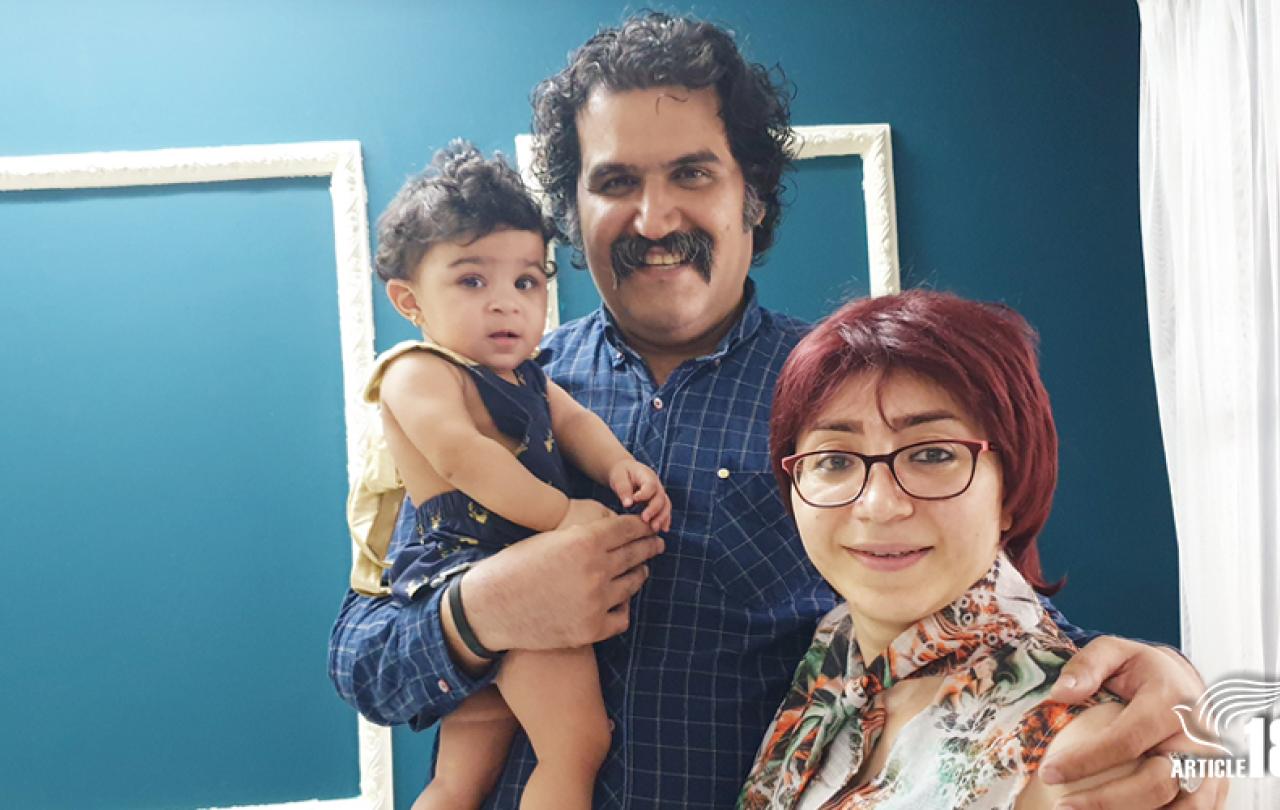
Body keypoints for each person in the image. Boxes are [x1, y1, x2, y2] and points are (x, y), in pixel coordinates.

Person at [330, 12, 1216, 809]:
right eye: (614, 182)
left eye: (691, 172)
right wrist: (481, 614)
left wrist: (1142, 681)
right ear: (574, 209)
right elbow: (363, 659)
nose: (652, 215)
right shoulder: (495, 400)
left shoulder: (836, 405)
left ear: (751, 192)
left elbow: (974, 602)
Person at [740, 291, 1139, 808]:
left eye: (932, 453)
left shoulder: (1083, 756)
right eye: (835, 460)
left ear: (1009, 492)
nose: (879, 505)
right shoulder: (835, 647)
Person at [363, 140, 670, 810]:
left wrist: (621, 465)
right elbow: (461, 457)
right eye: (473, 281)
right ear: (409, 299)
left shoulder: (529, 374)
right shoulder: (417, 372)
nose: (506, 304)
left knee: (463, 776)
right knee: (577, 744)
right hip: (482, 572)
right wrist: (563, 517)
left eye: (526, 281)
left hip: (507, 571)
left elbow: (579, 425)